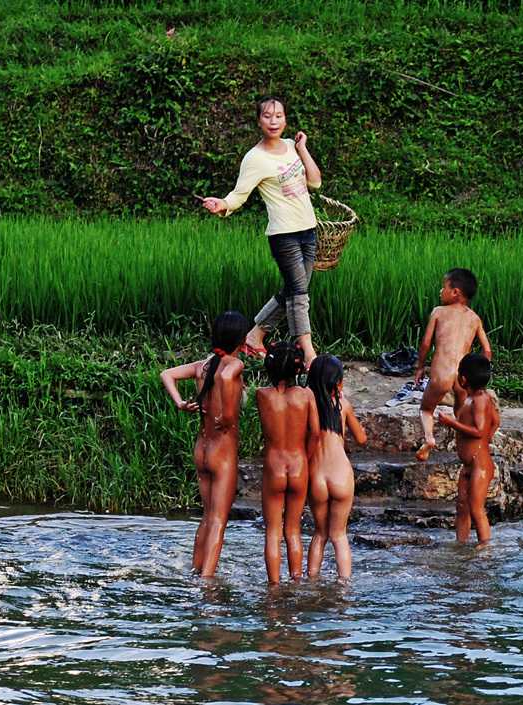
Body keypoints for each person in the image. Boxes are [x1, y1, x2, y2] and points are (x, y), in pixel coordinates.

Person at [202, 96, 322, 364]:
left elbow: (314, 182)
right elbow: (239, 194)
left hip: (308, 230)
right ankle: (308, 352)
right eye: (267, 116)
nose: (273, 121)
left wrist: (302, 148)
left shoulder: (292, 146)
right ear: (259, 121)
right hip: (284, 235)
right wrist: (222, 204)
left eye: (279, 115)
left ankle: (254, 337)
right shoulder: (254, 158)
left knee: (294, 289)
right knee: (300, 294)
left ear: (286, 119)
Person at [160, 311, 249, 577]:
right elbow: (226, 377)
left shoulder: (203, 366)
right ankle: (207, 582)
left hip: (202, 449)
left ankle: (196, 571)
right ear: (240, 339)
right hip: (223, 451)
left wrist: (180, 403)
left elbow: (167, 374)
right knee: (219, 521)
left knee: (208, 517)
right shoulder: (232, 366)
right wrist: (228, 415)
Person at [256, 341, 320, 584]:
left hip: (274, 465)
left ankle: (273, 585)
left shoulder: (262, 395)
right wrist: (307, 456)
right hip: (298, 464)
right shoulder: (306, 395)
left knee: (273, 531)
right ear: (298, 369)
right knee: (293, 530)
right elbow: (314, 432)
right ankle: (296, 581)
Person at [414, 268, 492, 461]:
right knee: (460, 410)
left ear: (455, 292)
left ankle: (429, 439)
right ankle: (464, 444)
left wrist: (419, 366)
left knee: (426, 409)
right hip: (462, 377)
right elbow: (487, 350)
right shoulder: (474, 318)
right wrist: (479, 374)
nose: (441, 291)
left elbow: (425, 343)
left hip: (441, 374)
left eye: (444, 287)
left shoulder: (438, 312)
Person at [306, 355, 367, 579]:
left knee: (320, 534)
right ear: (338, 383)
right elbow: (361, 439)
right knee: (339, 536)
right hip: (341, 474)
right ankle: (344, 586)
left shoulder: (308, 405)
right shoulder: (343, 405)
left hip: (317, 476)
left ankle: (311, 581)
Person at [439, 353, 500, 544]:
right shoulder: (471, 399)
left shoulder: (480, 400)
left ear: (463, 378)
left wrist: (451, 422)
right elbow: (496, 422)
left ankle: (485, 548)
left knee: (476, 508)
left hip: (480, 465)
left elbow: (479, 431)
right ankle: (461, 543)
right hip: (469, 465)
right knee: (462, 506)